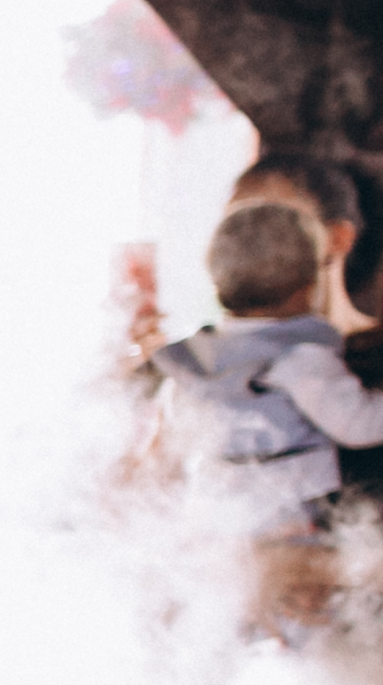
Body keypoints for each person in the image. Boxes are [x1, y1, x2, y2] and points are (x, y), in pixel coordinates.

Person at [151, 199, 383, 538]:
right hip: (287, 514)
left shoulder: (194, 361)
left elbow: (174, 444)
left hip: (212, 513)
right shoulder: (299, 357)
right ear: (307, 287)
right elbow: (356, 424)